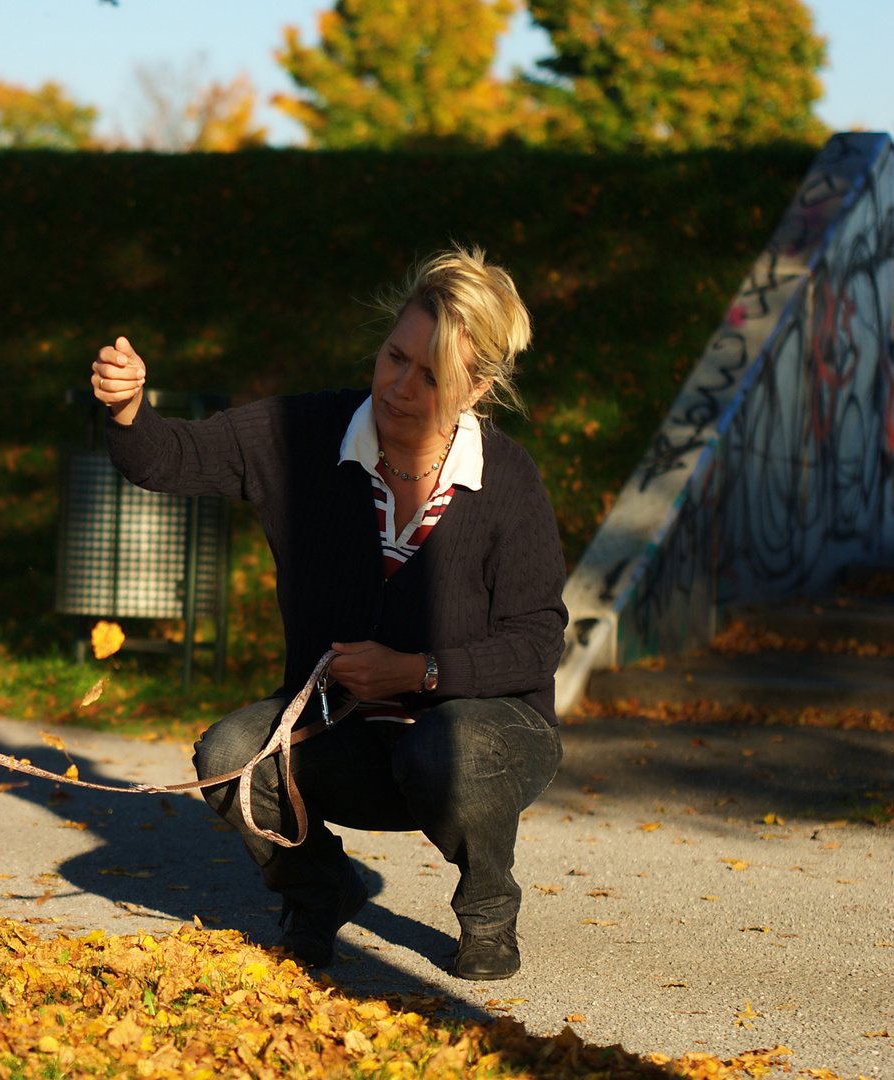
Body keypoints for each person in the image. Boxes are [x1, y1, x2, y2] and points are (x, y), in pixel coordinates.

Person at [89, 247, 565, 981]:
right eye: (393, 357)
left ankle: (487, 905)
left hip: (484, 737)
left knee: (451, 746)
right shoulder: (304, 434)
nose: (399, 386)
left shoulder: (506, 477)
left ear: (476, 389)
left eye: (431, 375)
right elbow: (169, 456)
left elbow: (535, 645)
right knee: (227, 758)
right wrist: (128, 410)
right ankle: (318, 895)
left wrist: (420, 671)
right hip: (343, 729)